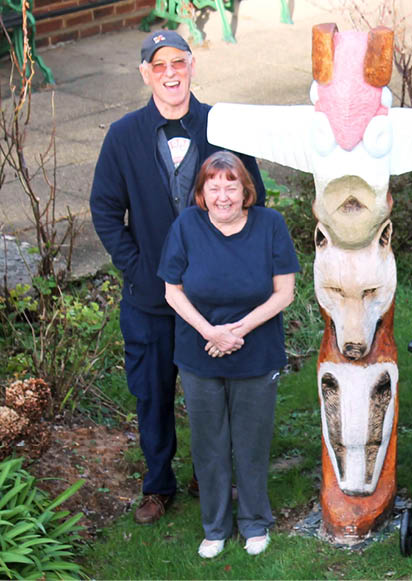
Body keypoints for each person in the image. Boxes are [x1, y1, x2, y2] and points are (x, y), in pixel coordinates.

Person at [90, 29, 266, 525]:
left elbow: (254, 199)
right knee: (152, 390)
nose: (171, 73)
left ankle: (210, 475)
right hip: (149, 299)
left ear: (192, 66)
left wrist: (231, 266)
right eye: (159, 65)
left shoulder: (222, 125)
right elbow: (104, 210)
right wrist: (139, 269)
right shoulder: (122, 136)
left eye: (179, 63)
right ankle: (158, 483)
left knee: (217, 390)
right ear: (146, 73)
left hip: (214, 299)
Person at [157, 151, 299, 558]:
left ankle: (255, 523)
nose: (223, 196)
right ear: (201, 193)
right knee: (208, 443)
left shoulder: (271, 225)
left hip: (256, 353)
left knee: (251, 443)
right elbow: (172, 290)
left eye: (231, 186)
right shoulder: (186, 226)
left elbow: (284, 292)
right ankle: (215, 527)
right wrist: (211, 332)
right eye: (213, 187)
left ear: (245, 190)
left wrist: (238, 330)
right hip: (199, 353)